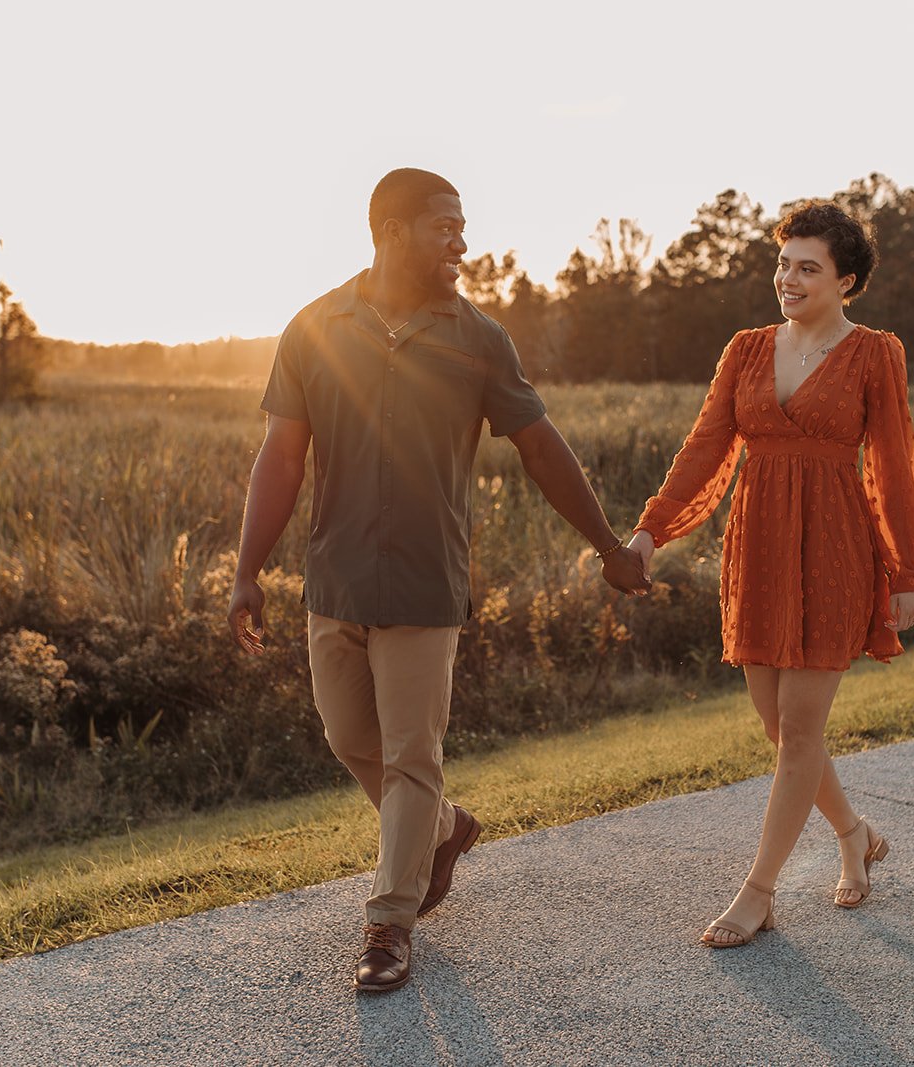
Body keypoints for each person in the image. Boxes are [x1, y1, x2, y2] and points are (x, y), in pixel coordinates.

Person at [227, 168, 651, 992]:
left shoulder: (479, 337)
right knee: (352, 740)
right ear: (390, 232)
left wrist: (605, 543)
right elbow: (280, 457)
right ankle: (446, 830)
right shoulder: (314, 328)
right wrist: (247, 570)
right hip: (336, 580)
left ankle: (389, 922)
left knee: (413, 754)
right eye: (444, 227)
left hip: (427, 584)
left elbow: (539, 446)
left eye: (463, 227)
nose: (462, 242)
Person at [626, 200, 914, 947]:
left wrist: (908, 567)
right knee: (776, 724)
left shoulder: (875, 353)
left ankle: (758, 892)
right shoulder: (746, 348)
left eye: (807, 267)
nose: (788, 279)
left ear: (845, 279)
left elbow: (893, 459)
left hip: (834, 548)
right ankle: (855, 834)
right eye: (783, 264)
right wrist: (651, 529)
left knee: (800, 727)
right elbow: (705, 448)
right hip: (757, 547)